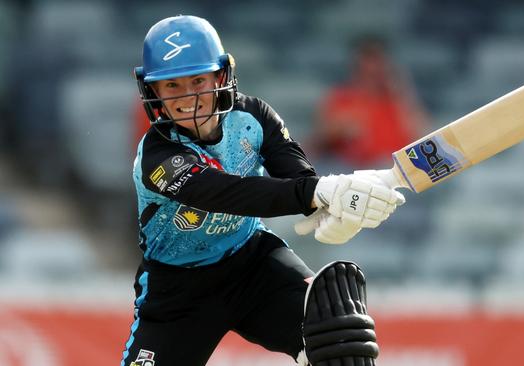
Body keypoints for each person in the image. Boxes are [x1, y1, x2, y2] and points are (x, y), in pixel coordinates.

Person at [121, 15, 405, 366]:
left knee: (338, 332)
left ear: (220, 76)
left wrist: (335, 209)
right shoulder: (156, 156)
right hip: (178, 290)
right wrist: (320, 193)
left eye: (197, 80)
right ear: (154, 92)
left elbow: (298, 178)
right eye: (172, 86)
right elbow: (229, 193)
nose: (187, 97)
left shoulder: (252, 116)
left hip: (252, 264)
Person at [313, 35, 430, 168]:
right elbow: (317, 143)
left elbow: (423, 137)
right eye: (366, 62)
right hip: (355, 173)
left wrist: (404, 92)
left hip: (397, 171)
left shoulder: (398, 101)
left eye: (377, 62)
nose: (371, 69)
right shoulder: (341, 98)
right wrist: (338, 129)